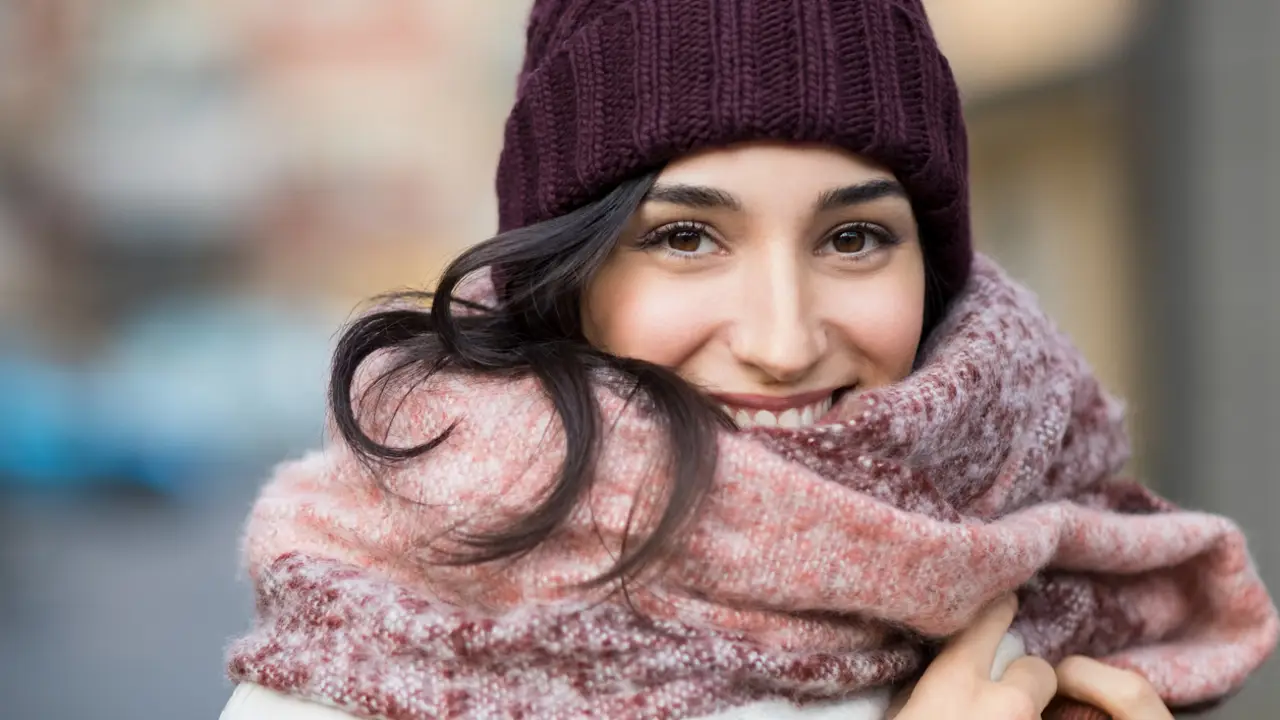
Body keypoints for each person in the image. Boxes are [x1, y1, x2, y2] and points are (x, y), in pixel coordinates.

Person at [221, 1, 1277, 719]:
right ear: (568, 272)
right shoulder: (386, 636)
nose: (781, 339)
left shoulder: (1067, 572)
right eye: (684, 237)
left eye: (853, 238)